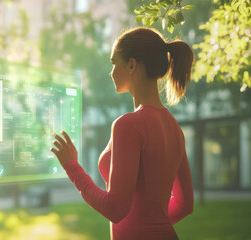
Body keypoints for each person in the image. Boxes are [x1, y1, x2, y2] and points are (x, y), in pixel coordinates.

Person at [50, 27, 194, 240]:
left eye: (114, 63)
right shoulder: (175, 129)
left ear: (132, 64)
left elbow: (115, 209)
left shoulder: (128, 125)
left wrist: (72, 167)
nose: (111, 72)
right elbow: (184, 205)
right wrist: (153, 228)